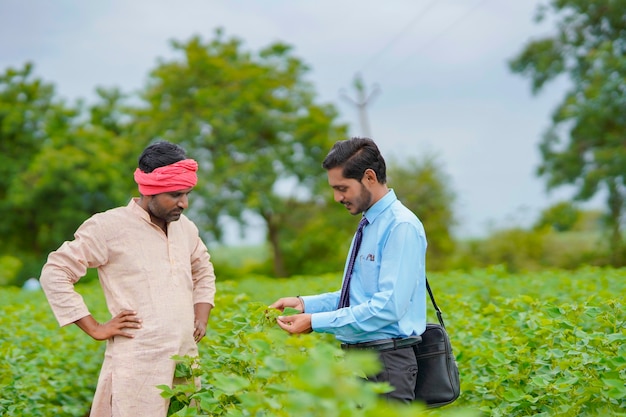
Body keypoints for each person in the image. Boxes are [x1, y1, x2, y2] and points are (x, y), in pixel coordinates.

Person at [40, 140, 217, 417]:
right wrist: (96, 328)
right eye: (175, 194)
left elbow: (203, 270)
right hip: (139, 365)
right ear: (150, 191)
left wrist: (201, 316)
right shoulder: (109, 226)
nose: (184, 203)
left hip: (185, 359)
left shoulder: (186, 229)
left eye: (187, 194)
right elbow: (55, 272)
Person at [269, 137, 427, 403]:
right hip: (362, 358)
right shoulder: (369, 224)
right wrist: (305, 305)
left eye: (342, 188)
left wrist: (315, 322)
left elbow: (387, 307)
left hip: (388, 363)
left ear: (369, 177)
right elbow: (356, 297)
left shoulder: (400, 226)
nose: (337, 197)